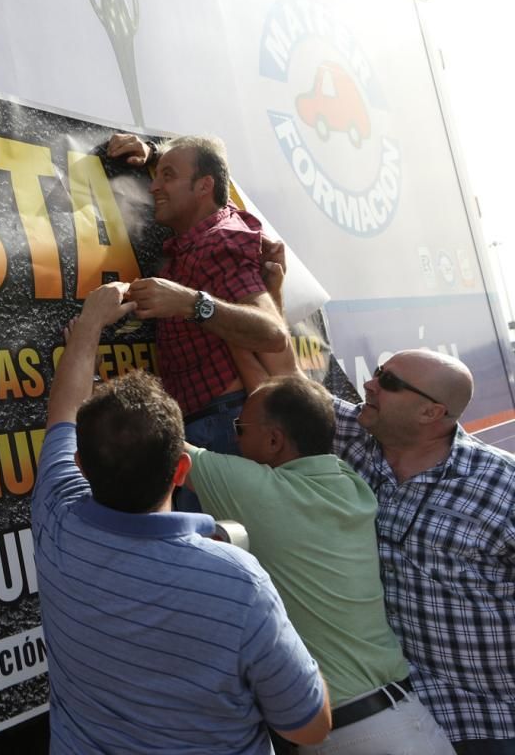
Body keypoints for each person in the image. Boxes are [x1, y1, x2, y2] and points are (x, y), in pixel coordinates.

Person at [32, 281, 330, 753]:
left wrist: (89, 325)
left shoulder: (57, 525)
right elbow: (308, 726)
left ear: (82, 468)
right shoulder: (239, 583)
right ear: (182, 470)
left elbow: (63, 413)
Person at [253, 245, 515, 753]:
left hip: (484, 718)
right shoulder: (355, 437)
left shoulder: (501, 486)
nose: (368, 384)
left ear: (431, 414)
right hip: (388, 706)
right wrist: (272, 293)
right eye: (377, 372)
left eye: (388, 383)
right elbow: (286, 385)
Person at [185, 375, 454, 754]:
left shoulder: (257, 491)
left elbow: (155, 439)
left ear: (275, 440)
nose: (235, 439)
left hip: (351, 737)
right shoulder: (347, 483)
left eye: (239, 428)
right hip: (407, 720)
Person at [106, 133, 288, 461]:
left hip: (222, 427)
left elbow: (272, 332)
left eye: (168, 176)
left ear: (204, 187)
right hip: (214, 421)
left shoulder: (219, 242)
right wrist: (154, 154)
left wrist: (191, 303)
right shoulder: (215, 218)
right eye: (158, 175)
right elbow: (213, 164)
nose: (153, 187)